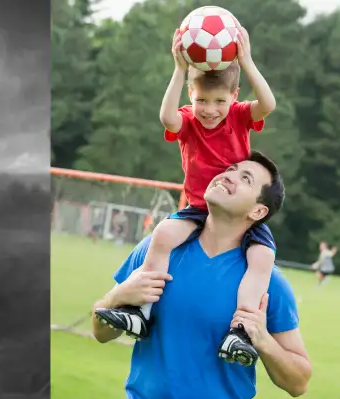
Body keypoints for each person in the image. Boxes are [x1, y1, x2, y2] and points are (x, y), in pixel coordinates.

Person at [96, 25, 278, 367]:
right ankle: (140, 312)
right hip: (198, 208)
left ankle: (239, 330)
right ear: (190, 98)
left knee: (261, 258)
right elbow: (166, 117)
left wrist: (248, 61)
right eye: (201, 101)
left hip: (234, 216)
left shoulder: (238, 116)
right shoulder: (187, 121)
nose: (210, 110)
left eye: (220, 101)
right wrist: (179, 70)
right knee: (162, 234)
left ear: (234, 96)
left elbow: (268, 103)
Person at [92, 153, 312, 398]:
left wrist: (263, 340)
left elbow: (298, 384)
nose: (228, 176)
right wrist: (116, 297)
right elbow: (101, 333)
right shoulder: (156, 250)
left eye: (245, 178)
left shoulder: (267, 283)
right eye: (230, 169)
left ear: (258, 211)